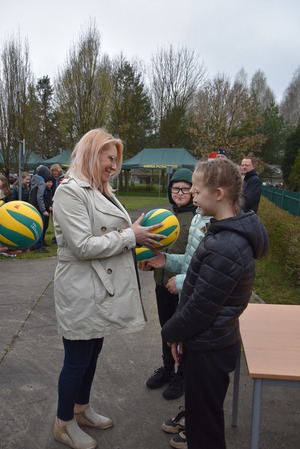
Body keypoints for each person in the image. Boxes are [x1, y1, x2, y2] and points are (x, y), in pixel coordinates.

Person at [52, 128, 164, 449]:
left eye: (116, 160)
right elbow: (82, 245)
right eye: (109, 158)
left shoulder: (100, 190)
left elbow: (111, 235)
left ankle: (81, 409)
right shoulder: (70, 191)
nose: (114, 165)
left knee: (92, 354)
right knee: (76, 359)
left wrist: (138, 245)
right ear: (91, 153)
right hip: (80, 289)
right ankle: (63, 423)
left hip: (99, 288)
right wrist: (132, 236)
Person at [161, 158, 269, 449]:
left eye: (197, 191)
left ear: (218, 194)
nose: (193, 196)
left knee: (205, 430)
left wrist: (170, 332)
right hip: (207, 342)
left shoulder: (227, 245)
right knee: (201, 419)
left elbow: (200, 308)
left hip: (209, 347)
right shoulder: (221, 232)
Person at [141, 168, 196, 400]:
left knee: (182, 332)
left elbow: (196, 257)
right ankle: (167, 369)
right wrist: (146, 260)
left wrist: (182, 281)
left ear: (193, 191)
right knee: (165, 328)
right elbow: (154, 247)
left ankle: (182, 376)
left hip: (183, 287)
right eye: (176, 188)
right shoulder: (163, 216)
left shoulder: (198, 219)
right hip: (161, 283)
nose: (180, 192)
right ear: (170, 191)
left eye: (185, 188)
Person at [29, 165, 51, 253]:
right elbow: (40, 197)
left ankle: (33, 244)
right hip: (38, 207)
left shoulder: (33, 179)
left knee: (33, 226)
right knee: (40, 226)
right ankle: (39, 246)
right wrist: (43, 210)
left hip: (32, 205)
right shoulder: (41, 182)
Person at [41, 176, 54, 247]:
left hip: (49, 209)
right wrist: (48, 206)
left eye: (51, 182)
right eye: (48, 182)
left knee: (46, 225)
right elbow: (43, 200)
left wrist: (51, 205)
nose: (50, 184)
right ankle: (41, 241)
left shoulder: (50, 190)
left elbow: (50, 199)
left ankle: (43, 240)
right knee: (43, 225)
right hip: (45, 210)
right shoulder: (44, 190)